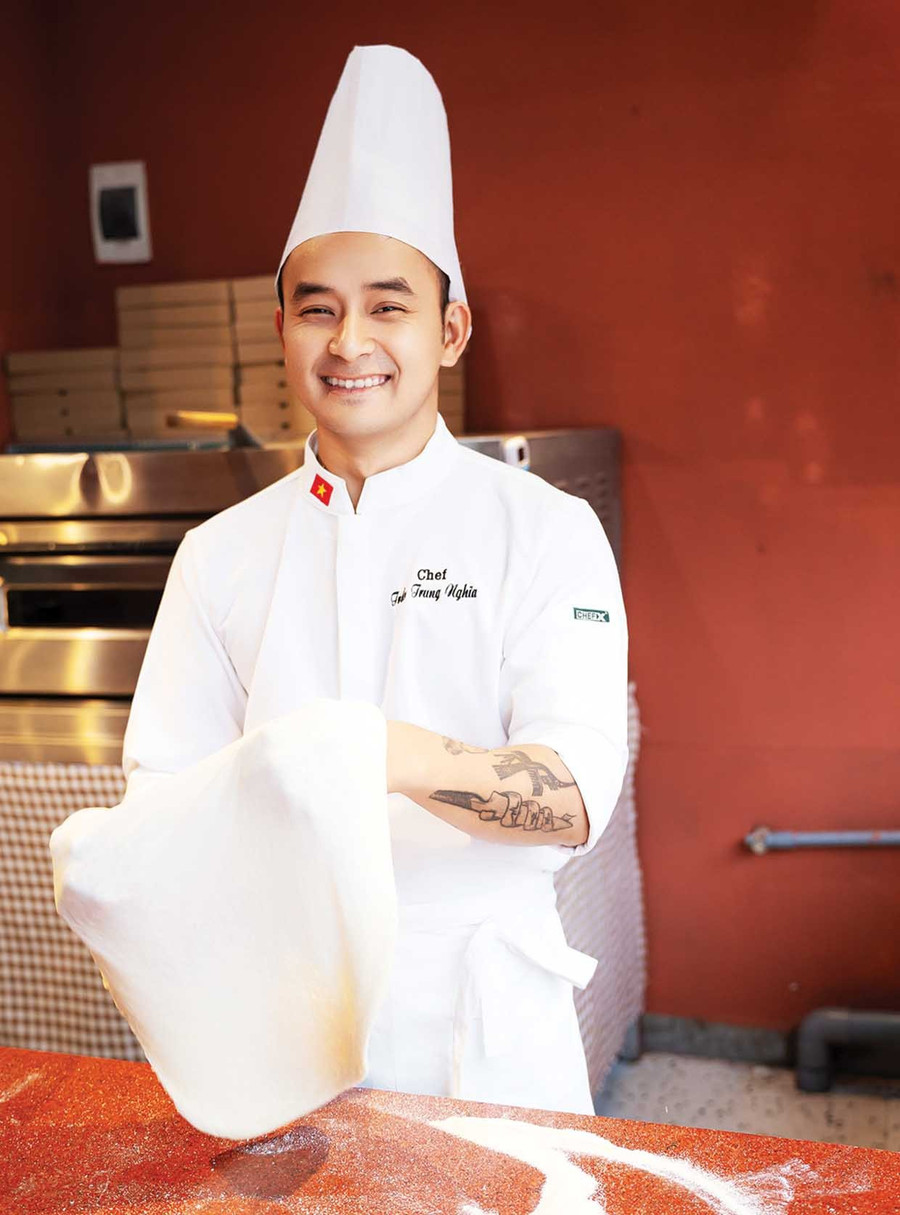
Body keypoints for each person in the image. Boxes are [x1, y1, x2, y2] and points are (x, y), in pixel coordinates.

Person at [121, 44, 629, 1116]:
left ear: (449, 331)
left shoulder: (544, 530)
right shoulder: (219, 555)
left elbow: (576, 797)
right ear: (283, 331)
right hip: (282, 1025)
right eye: (318, 308)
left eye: (388, 306)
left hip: (483, 1021)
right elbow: (161, 808)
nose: (350, 341)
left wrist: (375, 755)